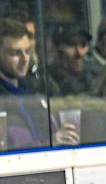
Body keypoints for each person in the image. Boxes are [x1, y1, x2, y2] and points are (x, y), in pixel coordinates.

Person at [0, 18, 77, 149]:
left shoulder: (35, 90)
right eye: (15, 53)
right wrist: (51, 143)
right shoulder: (4, 100)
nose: (25, 59)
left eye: (27, 51)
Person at [47, 25, 98, 96]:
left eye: (83, 45)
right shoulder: (44, 80)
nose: (79, 53)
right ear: (56, 48)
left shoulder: (94, 79)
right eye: (71, 45)